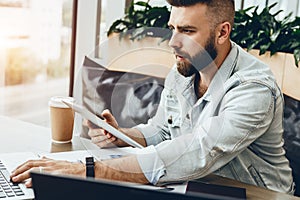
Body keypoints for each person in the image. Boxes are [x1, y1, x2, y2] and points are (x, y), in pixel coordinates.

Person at [11, 0, 294, 194]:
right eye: (173, 28)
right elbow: (162, 130)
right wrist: (123, 134)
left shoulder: (255, 88)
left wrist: (87, 169)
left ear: (223, 32)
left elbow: (200, 150)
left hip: (258, 195)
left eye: (187, 31)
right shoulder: (185, 69)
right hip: (199, 187)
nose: (172, 42)